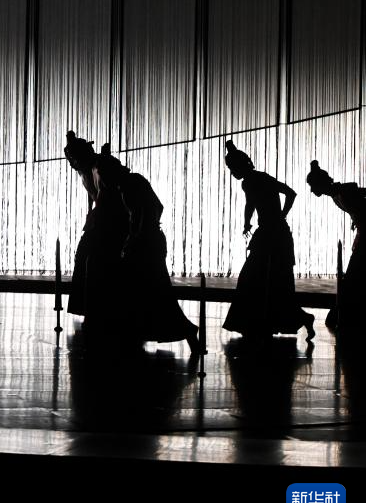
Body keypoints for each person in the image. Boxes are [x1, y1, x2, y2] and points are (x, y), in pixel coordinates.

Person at [93, 149, 200, 353]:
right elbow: (151, 209)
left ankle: (183, 331)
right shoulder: (128, 183)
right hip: (147, 241)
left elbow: (148, 210)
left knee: (153, 291)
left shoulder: (130, 184)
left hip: (146, 243)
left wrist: (137, 235)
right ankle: (174, 332)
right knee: (149, 291)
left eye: (103, 175)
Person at [222, 140, 314, 340]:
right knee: (268, 280)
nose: (232, 172)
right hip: (268, 233)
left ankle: (264, 321)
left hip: (275, 235)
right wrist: (247, 222)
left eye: (232, 168)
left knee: (262, 278)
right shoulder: (249, 182)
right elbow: (251, 203)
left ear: (241, 165)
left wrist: (281, 215)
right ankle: (293, 319)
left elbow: (290, 193)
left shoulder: (260, 178)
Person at [65, 140, 128, 341]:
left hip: (112, 220)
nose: (72, 164)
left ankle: (99, 310)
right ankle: (89, 307)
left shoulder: (101, 165)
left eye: (74, 159)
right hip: (100, 218)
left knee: (96, 263)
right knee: (85, 260)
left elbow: (110, 193)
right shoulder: (85, 169)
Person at [306, 160, 365, 336]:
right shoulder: (336, 193)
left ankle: (348, 316)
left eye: (312, 186)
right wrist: (356, 218)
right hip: (362, 232)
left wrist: (360, 218)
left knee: (354, 276)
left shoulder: (343, 191)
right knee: (354, 276)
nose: (312, 190)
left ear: (320, 184)